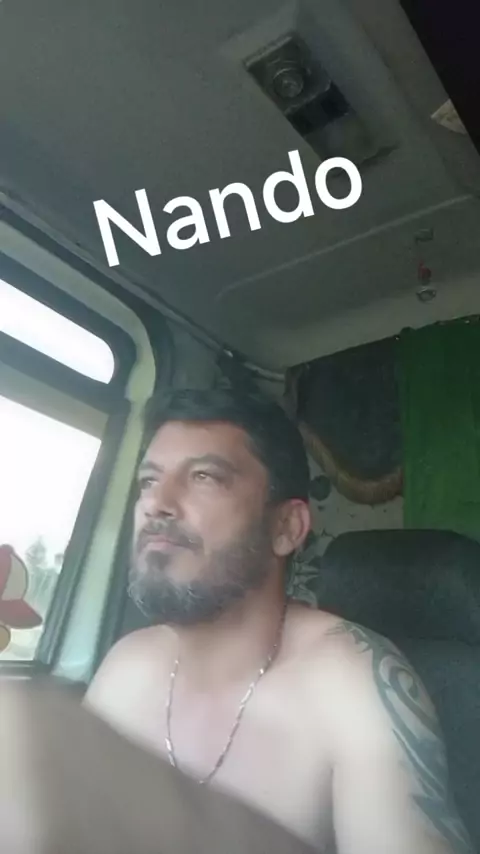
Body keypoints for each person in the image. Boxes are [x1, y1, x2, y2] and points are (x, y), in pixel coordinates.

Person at [82, 387, 471, 854]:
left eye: (204, 476)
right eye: (148, 481)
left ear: (286, 528)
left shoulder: (353, 682)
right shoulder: (125, 665)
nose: (156, 503)